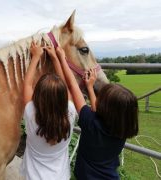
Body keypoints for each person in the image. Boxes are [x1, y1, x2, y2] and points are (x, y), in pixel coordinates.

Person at [57, 47, 139, 179]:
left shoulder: (90, 122)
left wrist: (61, 58)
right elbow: (98, 112)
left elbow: (72, 86)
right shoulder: (122, 128)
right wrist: (90, 87)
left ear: (104, 108)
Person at [20, 41, 77, 180]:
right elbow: (67, 87)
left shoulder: (30, 112)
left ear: (37, 95)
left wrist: (35, 56)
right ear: (64, 97)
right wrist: (56, 59)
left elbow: (27, 84)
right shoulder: (70, 112)